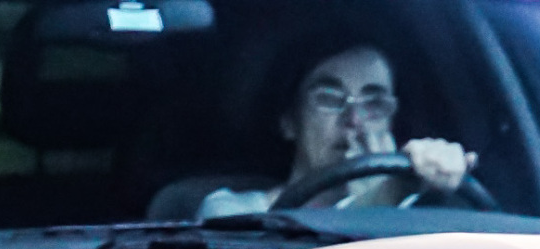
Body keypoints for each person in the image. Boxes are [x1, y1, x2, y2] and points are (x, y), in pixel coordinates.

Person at [196, 41, 473, 220]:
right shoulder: (233, 213)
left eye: (374, 102)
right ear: (289, 121)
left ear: (391, 118)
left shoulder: (421, 218)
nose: (354, 120)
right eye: (329, 98)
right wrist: (380, 199)